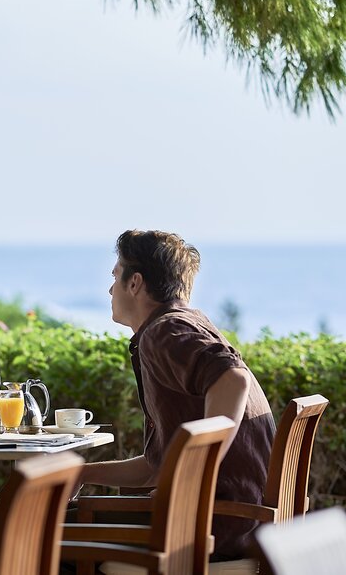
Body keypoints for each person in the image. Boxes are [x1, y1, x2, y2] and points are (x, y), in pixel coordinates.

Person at [76, 230, 276, 561]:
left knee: (28, 533)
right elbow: (155, 467)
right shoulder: (189, 324)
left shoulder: (164, 332)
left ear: (134, 283)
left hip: (208, 527)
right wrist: (84, 474)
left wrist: (193, 476)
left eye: (115, 276)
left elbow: (233, 379)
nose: (110, 289)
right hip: (242, 525)